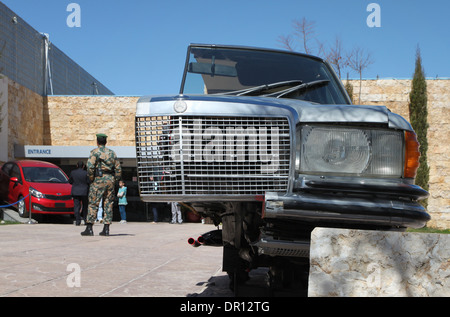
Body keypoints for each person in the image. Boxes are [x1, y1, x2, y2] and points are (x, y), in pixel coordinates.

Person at [81, 133, 122, 236]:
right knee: (108, 204)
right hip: (110, 179)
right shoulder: (112, 153)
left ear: (97, 142)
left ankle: (89, 228)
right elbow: (118, 169)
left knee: (93, 203)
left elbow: (90, 166)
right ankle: (106, 228)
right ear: (105, 142)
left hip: (98, 179)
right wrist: (115, 179)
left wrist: (91, 178)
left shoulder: (95, 152)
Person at [69, 161, 89, 226]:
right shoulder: (86, 173)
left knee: (76, 206)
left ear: (77, 165)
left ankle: (78, 220)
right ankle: (85, 220)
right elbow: (88, 181)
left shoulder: (73, 172)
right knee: (85, 206)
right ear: (83, 166)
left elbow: (70, 181)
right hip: (84, 191)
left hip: (76, 191)